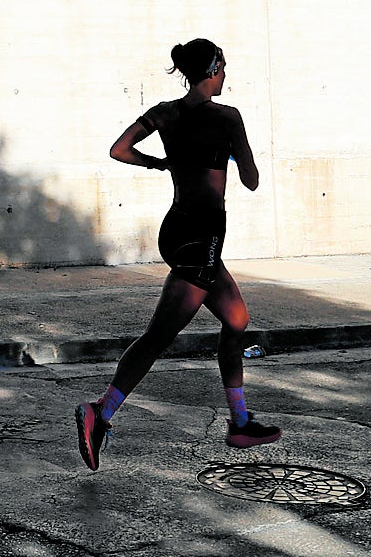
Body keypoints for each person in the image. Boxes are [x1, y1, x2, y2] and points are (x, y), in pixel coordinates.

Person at [74, 39, 283, 471]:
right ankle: (101, 412)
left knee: (237, 320)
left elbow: (120, 149)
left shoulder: (165, 113)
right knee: (159, 336)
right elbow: (251, 180)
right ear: (213, 68)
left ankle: (241, 421)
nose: (225, 76)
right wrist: (234, 149)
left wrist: (161, 164)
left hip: (180, 231)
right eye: (223, 69)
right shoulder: (228, 117)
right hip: (202, 235)